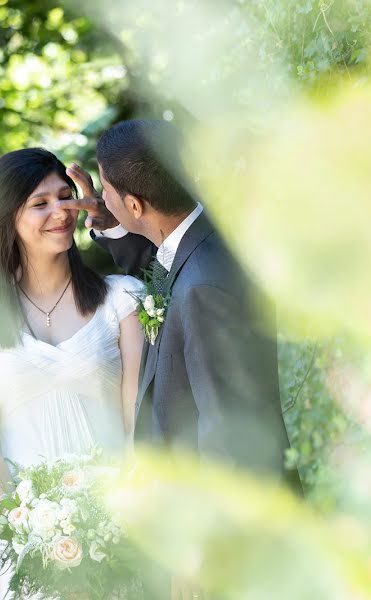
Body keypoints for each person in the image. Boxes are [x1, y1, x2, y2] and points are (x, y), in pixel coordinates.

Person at [61, 119, 303, 599]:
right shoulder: (205, 242)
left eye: (107, 191)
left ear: (136, 203)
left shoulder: (205, 289)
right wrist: (112, 222)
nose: (101, 197)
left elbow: (230, 430)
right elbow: (165, 266)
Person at [0, 148, 145, 598]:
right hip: (20, 535)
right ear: (3, 217)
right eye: (40, 203)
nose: (60, 213)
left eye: (64, 197)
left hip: (117, 530)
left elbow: (137, 422)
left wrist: (120, 517)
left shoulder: (121, 301)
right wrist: (29, 536)